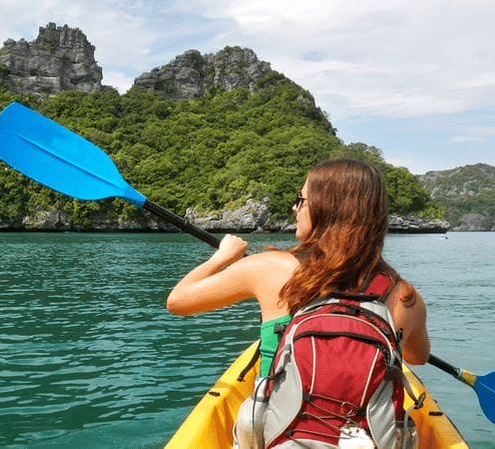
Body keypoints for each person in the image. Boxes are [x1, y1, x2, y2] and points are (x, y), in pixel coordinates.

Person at [166, 158, 430, 446]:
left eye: (300, 199)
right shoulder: (405, 297)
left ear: (326, 208)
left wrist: (223, 256)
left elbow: (177, 301)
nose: (295, 208)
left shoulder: (268, 268)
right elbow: (418, 357)